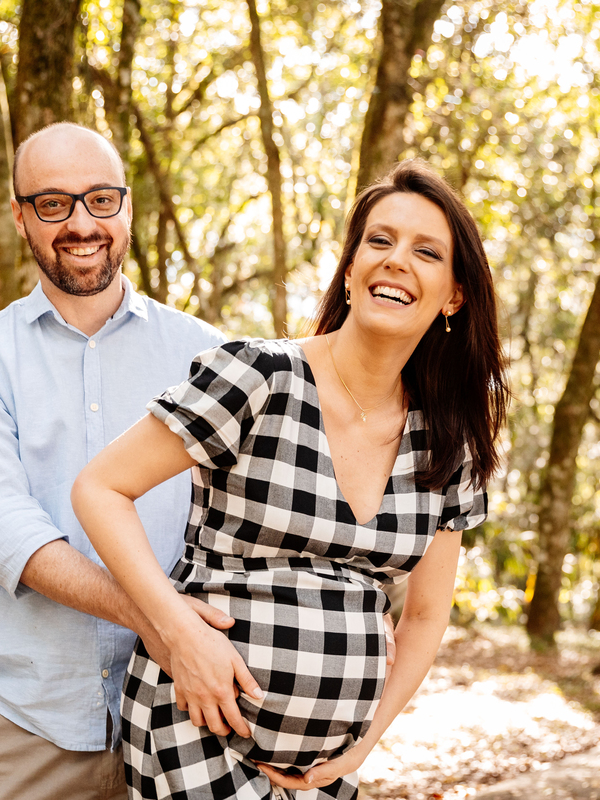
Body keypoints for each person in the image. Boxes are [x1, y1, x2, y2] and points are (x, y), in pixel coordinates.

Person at [72, 159, 509, 799]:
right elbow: (100, 489)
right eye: (379, 241)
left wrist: (364, 742)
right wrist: (175, 630)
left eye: (426, 251)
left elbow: (424, 616)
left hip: (324, 772)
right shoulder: (260, 376)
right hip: (195, 728)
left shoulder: (447, 441)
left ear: (454, 296)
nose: (396, 261)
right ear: (352, 271)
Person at [0, 122, 235, 800]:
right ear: (20, 216)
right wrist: (160, 619)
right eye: (53, 203)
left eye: (101, 199)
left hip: (186, 714)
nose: (81, 223)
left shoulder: (210, 356)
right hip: (28, 721)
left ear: (127, 208)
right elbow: (7, 530)